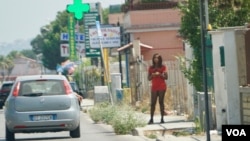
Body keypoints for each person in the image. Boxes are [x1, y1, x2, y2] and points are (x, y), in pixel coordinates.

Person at [147, 53, 168, 124]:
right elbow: (148, 78)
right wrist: (153, 75)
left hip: (162, 86)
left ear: (160, 59)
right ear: (153, 59)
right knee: (153, 103)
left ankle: (162, 119)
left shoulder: (163, 67)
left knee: (161, 102)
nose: (156, 59)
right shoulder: (151, 68)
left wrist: (160, 74)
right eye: (155, 58)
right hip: (154, 87)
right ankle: (151, 119)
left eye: (157, 58)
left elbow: (166, 77)